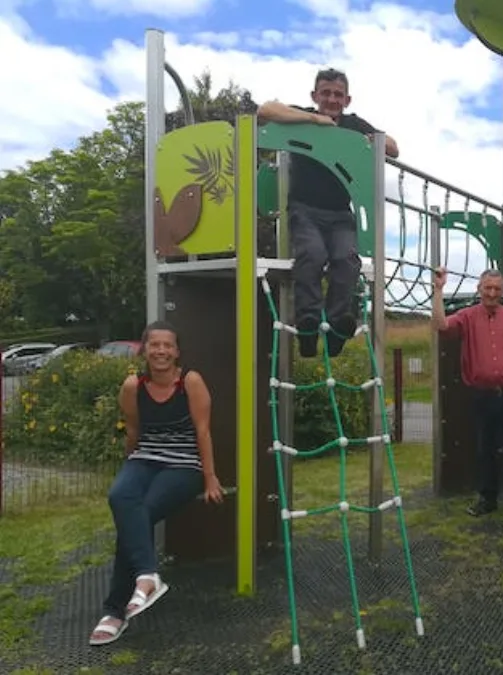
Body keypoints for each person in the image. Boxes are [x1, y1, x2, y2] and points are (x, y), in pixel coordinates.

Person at [89, 321, 224, 646]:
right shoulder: (133, 386)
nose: (161, 351)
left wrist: (210, 477)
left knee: (141, 514)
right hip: (145, 459)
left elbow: (203, 431)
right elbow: (134, 432)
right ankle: (147, 577)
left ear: (177, 351)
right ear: (144, 349)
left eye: (168, 345)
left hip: (184, 464)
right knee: (121, 495)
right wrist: (129, 469)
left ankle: (114, 610)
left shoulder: (189, 381)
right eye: (155, 345)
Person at [257, 69, 399, 359]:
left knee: (346, 260)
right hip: (305, 208)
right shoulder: (302, 117)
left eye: (337, 94)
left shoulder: (352, 125)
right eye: (326, 93)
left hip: (339, 213)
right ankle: (307, 323)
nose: (332, 99)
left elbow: (393, 149)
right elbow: (265, 110)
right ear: (315, 96)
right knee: (312, 253)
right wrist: (314, 119)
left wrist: (373, 141)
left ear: (347, 99)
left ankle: (337, 325)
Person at [432, 267, 503, 530]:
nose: (491, 293)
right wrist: (438, 290)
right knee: (484, 451)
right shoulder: (466, 317)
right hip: (481, 396)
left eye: (496, 289)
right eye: (487, 288)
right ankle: (487, 500)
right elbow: (441, 325)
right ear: (479, 289)